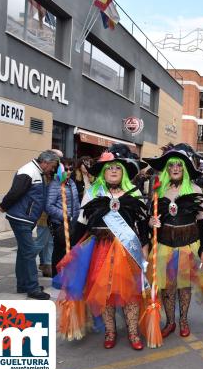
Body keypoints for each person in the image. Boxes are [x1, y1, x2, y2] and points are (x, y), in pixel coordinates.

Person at [55, 146, 148, 349]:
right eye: (109, 168)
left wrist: (144, 249)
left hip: (127, 249)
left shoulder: (133, 192)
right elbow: (81, 222)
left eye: (117, 167)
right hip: (100, 248)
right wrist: (70, 250)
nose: (113, 171)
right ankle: (110, 332)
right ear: (103, 172)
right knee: (104, 292)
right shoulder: (93, 192)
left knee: (130, 294)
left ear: (123, 171)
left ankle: (133, 333)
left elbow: (142, 224)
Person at [144, 144, 203, 339]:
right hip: (164, 246)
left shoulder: (195, 189)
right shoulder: (158, 189)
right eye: (172, 165)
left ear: (185, 168)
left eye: (179, 164)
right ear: (167, 169)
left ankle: (183, 320)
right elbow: (149, 217)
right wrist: (150, 222)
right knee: (167, 287)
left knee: (184, 286)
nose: (176, 168)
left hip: (188, 245)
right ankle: (170, 322)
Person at [0, 150, 59, 300]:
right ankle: (32, 288)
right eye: (52, 166)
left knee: (23, 252)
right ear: (45, 162)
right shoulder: (28, 171)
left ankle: (23, 284)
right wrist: (4, 205)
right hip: (21, 218)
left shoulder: (37, 171)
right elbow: (15, 192)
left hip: (25, 217)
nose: (52, 169)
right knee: (29, 252)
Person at [45, 160, 80, 279]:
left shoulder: (72, 183)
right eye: (66, 169)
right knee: (59, 251)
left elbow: (76, 203)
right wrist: (65, 215)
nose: (69, 171)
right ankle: (57, 277)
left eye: (71, 169)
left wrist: (77, 217)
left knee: (69, 250)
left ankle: (67, 277)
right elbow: (49, 206)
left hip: (72, 224)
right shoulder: (55, 184)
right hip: (60, 224)